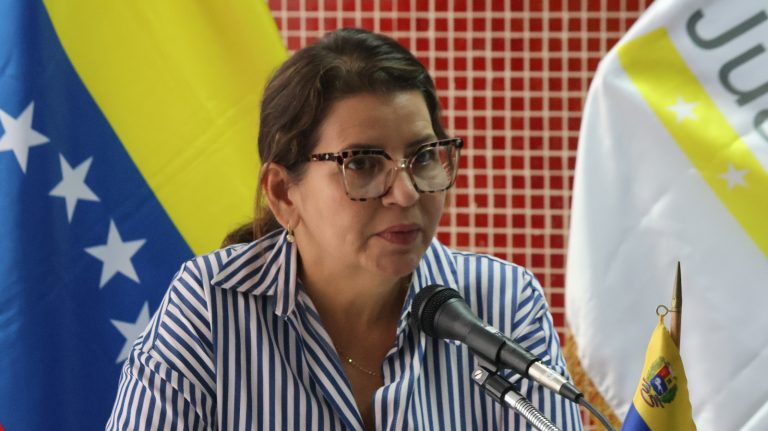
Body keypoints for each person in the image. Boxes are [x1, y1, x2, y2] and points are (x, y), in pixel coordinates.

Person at [107, 28, 583, 430]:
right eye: (361, 164)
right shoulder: (212, 307)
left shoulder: (503, 303)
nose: (406, 194)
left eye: (422, 157)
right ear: (283, 193)